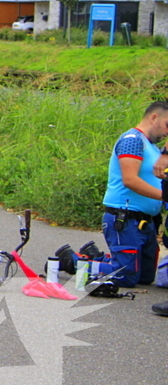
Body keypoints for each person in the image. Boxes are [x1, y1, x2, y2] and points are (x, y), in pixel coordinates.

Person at [52, 101, 168, 297]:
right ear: (154, 117)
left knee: (145, 277)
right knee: (126, 276)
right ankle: (72, 261)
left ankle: (96, 257)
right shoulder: (132, 140)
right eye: (167, 125)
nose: (167, 132)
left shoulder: (154, 148)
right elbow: (130, 179)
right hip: (125, 217)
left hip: (145, 221)